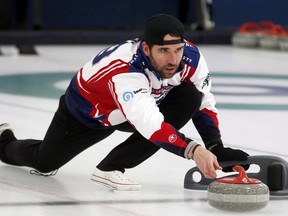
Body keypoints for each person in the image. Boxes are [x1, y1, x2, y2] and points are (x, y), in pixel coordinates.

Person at [0, 14, 249, 191]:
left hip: (135, 108)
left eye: (178, 50)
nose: (173, 60)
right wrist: (194, 151)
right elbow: (150, 125)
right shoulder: (126, 71)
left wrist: (215, 146)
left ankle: (111, 167)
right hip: (88, 114)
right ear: (146, 48)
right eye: (164, 51)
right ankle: (4, 141)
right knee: (45, 162)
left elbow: (204, 102)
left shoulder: (191, 58)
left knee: (191, 97)